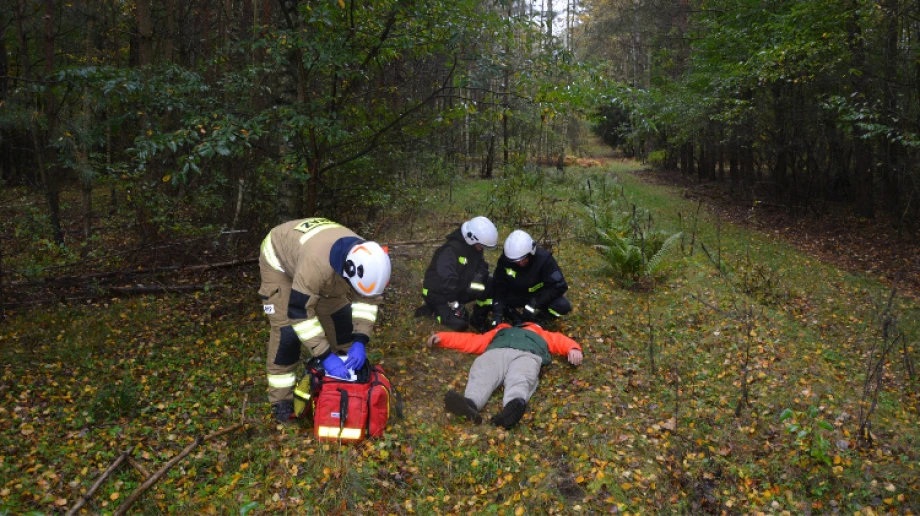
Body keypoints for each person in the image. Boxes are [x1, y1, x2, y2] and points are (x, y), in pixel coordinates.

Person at [258, 217, 391, 423]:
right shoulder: (316, 267)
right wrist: (324, 355)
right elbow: (299, 312)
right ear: (349, 270)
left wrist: (360, 341)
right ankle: (281, 402)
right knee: (288, 334)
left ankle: (346, 377)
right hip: (280, 262)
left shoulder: (367, 257)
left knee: (341, 320)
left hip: (321, 267)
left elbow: (366, 302)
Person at [426, 321, 584, 429]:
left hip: (527, 355)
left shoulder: (541, 333)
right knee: (483, 372)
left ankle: (512, 408)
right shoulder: (498, 332)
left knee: (521, 377)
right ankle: (470, 404)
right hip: (496, 353)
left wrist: (573, 349)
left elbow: (560, 340)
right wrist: (443, 338)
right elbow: (471, 340)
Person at [415, 216, 498, 331]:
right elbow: (447, 280)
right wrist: (454, 304)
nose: (481, 248)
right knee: (461, 324)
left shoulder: (475, 247)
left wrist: (479, 278)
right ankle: (434, 311)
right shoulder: (451, 250)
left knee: (490, 283)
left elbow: (482, 264)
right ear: (471, 238)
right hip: (439, 293)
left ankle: (479, 317)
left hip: (458, 287)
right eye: (481, 245)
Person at [492, 230, 571, 327]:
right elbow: (499, 285)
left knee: (562, 306)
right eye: (516, 261)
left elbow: (559, 286)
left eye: (523, 259)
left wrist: (535, 303)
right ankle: (515, 317)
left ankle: (540, 320)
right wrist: (498, 313)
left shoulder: (544, 260)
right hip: (515, 295)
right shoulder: (506, 260)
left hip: (538, 296)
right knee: (490, 295)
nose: (520, 263)